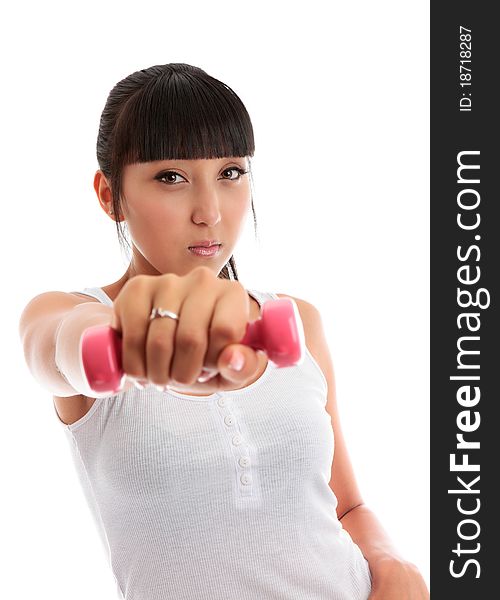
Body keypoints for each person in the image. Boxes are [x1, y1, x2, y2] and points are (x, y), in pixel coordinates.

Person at [18, 63, 429, 599]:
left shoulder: (298, 320)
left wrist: (394, 566)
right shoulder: (65, 313)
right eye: (170, 177)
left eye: (231, 172)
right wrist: (122, 343)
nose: (210, 211)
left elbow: (346, 504)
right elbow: (63, 347)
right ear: (109, 195)